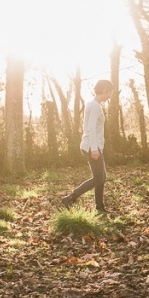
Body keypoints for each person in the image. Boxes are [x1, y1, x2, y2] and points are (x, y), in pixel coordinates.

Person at [61, 79, 116, 214]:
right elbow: (91, 128)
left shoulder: (92, 104)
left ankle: (100, 207)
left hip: (93, 145)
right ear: (104, 91)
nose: (110, 96)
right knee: (99, 177)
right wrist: (95, 148)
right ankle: (70, 198)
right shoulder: (95, 106)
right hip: (92, 146)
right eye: (109, 93)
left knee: (101, 177)